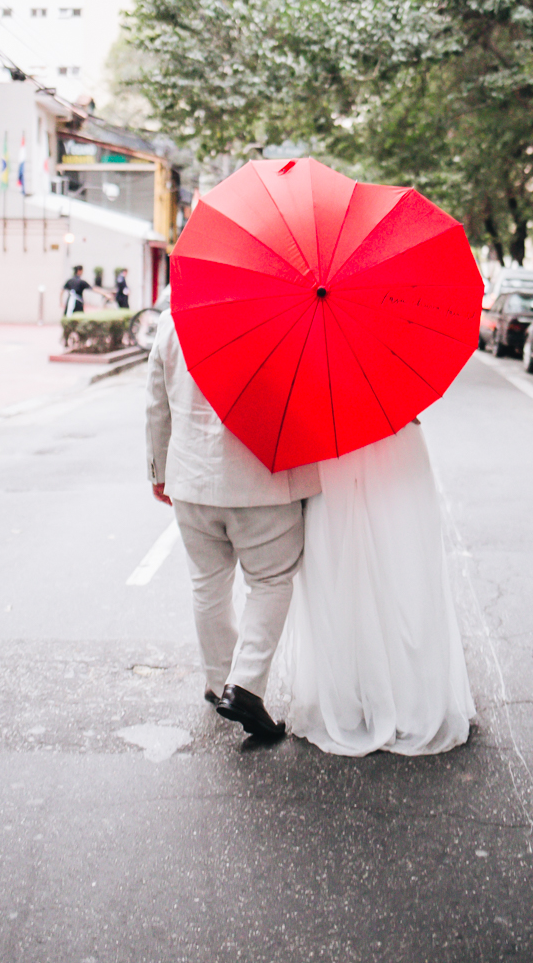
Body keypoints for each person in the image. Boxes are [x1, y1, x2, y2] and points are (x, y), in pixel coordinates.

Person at [146, 307, 321, 741]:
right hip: (262, 482)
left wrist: (158, 471)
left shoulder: (173, 321)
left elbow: (157, 404)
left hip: (192, 481)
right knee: (271, 581)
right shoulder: (287, 315)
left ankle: (217, 678)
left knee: (207, 583)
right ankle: (243, 686)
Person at [283, 420, 476, 756]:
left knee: (344, 574)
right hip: (392, 446)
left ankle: (352, 699)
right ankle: (407, 699)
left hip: (335, 450)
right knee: (398, 573)